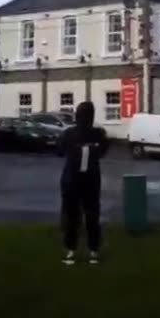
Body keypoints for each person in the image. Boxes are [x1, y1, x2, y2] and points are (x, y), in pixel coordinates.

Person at [60, 100, 108, 266]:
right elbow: (103, 151)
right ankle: (92, 250)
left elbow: (60, 150)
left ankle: (71, 250)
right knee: (91, 215)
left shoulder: (69, 133)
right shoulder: (98, 134)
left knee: (74, 216)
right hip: (89, 180)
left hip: (74, 180)